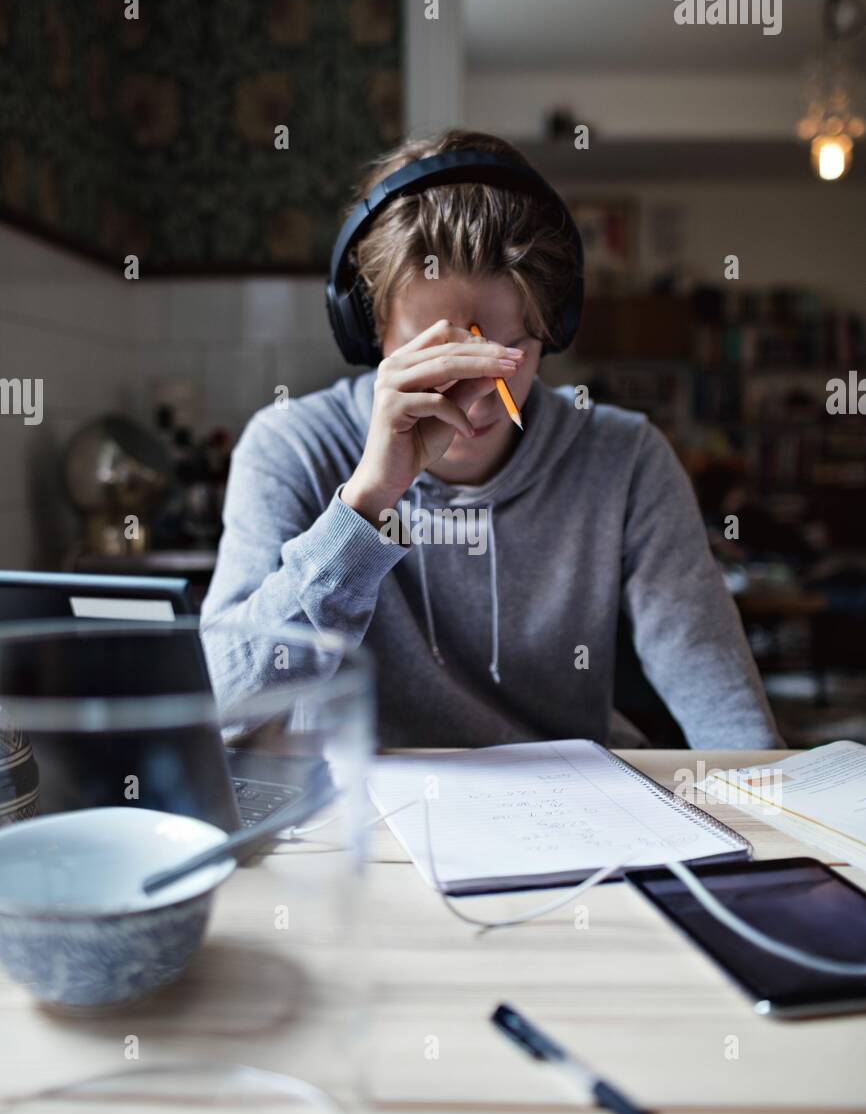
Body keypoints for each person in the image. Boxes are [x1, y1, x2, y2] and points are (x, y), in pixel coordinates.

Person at [201, 129, 783, 750]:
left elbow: (722, 704)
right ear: (368, 329)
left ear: (551, 332)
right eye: (436, 356)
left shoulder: (626, 460)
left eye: (508, 355)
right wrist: (366, 505)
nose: (474, 397)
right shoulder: (290, 446)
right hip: (359, 826)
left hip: (570, 818)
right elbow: (220, 705)